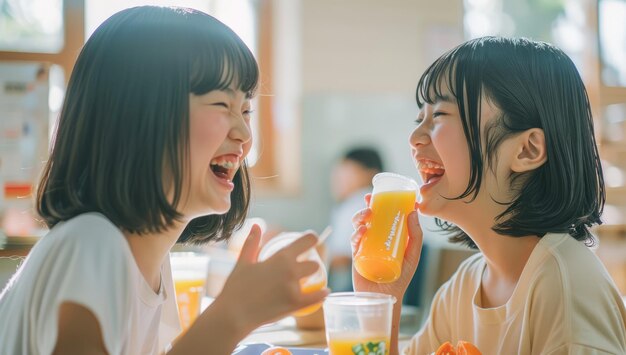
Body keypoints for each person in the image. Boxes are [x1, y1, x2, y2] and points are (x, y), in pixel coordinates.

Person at [0, 6, 327, 355]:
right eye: (221, 104)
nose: (245, 134)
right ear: (138, 120)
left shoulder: (150, 265)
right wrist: (232, 315)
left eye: (246, 109)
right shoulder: (92, 244)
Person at [351, 36, 626, 354]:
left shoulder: (566, 288)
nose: (414, 137)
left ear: (526, 149)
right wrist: (381, 300)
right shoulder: (463, 287)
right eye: (419, 119)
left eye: (439, 115)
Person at [327, 147, 384, 291]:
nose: (338, 182)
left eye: (346, 174)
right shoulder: (359, 202)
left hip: (357, 286)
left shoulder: (359, 201)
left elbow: (344, 257)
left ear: (370, 174)